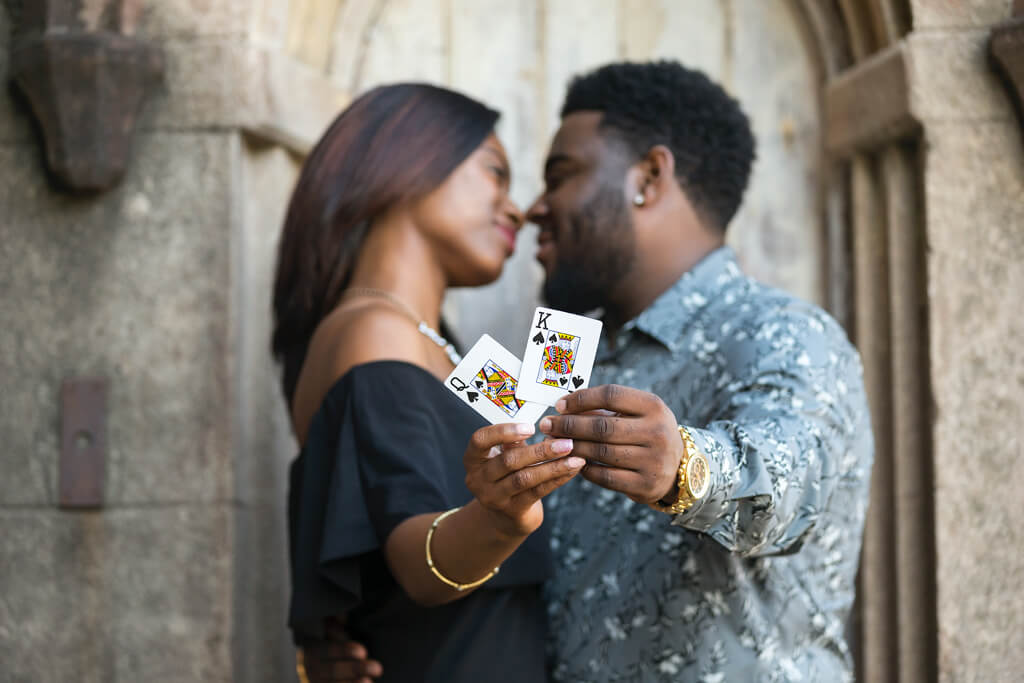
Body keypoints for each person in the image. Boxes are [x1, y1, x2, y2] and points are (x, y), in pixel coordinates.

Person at [322, 60, 873, 682]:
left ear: (648, 177)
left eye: (560, 176)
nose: (533, 209)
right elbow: (432, 497)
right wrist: (347, 634)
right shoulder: (561, 350)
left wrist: (685, 466)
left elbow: (794, 479)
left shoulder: (780, 330)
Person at [272, 83, 585, 683]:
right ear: (407, 163)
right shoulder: (374, 335)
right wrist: (498, 516)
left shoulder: (435, 346)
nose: (516, 207)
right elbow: (417, 558)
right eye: (495, 172)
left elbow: (542, 425)